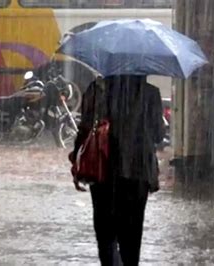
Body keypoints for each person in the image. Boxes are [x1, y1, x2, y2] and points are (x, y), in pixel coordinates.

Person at [70, 75, 164, 265]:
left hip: (103, 169)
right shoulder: (151, 93)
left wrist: (77, 161)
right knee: (132, 236)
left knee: (105, 235)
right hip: (138, 172)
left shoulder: (97, 89)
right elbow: (159, 134)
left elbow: (85, 129)